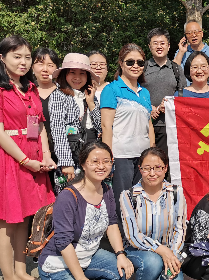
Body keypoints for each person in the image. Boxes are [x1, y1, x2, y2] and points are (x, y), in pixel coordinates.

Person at [0, 35, 55, 280]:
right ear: (2, 58)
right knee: (6, 221)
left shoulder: (30, 87)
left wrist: (45, 155)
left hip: (33, 155)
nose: (23, 62)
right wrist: (24, 160)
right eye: (17, 56)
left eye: (27, 57)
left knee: (25, 217)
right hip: (8, 159)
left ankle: (21, 269)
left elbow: (38, 125)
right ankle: (9, 279)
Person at [38, 142, 134, 280]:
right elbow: (63, 243)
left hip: (88, 258)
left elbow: (112, 223)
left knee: (125, 270)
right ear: (83, 164)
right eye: (95, 161)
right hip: (58, 265)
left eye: (106, 161)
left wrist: (120, 254)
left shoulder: (106, 189)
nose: (101, 166)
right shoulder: (68, 197)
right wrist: (81, 279)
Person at [118, 147, 187, 280]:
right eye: (147, 168)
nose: (152, 173)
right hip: (138, 250)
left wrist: (172, 255)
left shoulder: (176, 193)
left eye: (158, 168)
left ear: (166, 168)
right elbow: (133, 235)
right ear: (140, 169)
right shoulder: (128, 196)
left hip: (169, 250)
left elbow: (180, 228)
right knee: (152, 261)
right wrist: (161, 250)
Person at [100, 43, 155, 210]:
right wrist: (107, 158)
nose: (135, 66)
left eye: (140, 62)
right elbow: (106, 125)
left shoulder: (145, 93)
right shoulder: (111, 89)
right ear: (121, 63)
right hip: (121, 156)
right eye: (130, 62)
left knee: (141, 203)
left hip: (143, 157)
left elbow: (149, 124)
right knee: (122, 204)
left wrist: (152, 152)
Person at [50, 53, 102, 182]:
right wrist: (66, 162)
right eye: (72, 72)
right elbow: (58, 130)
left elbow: (101, 126)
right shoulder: (59, 95)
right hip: (71, 154)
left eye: (82, 73)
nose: (77, 77)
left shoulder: (90, 95)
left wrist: (91, 103)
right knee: (71, 191)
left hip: (92, 152)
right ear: (65, 74)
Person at [143, 28, 186, 156]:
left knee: (164, 162)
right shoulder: (142, 68)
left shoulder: (176, 69)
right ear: (149, 46)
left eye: (162, 43)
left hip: (168, 126)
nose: (159, 46)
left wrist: (169, 105)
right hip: (144, 124)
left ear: (168, 46)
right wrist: (148, 107)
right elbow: (134, 92)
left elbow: (182, 95)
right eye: (155, 43)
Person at [32, 47, 60, 188]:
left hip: (61, 155)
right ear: (32, 67)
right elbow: (31, 127)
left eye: (50, 65)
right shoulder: (28, 94)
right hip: (36, 156)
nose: (45, 69)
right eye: (40, 64)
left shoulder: (65, 93)